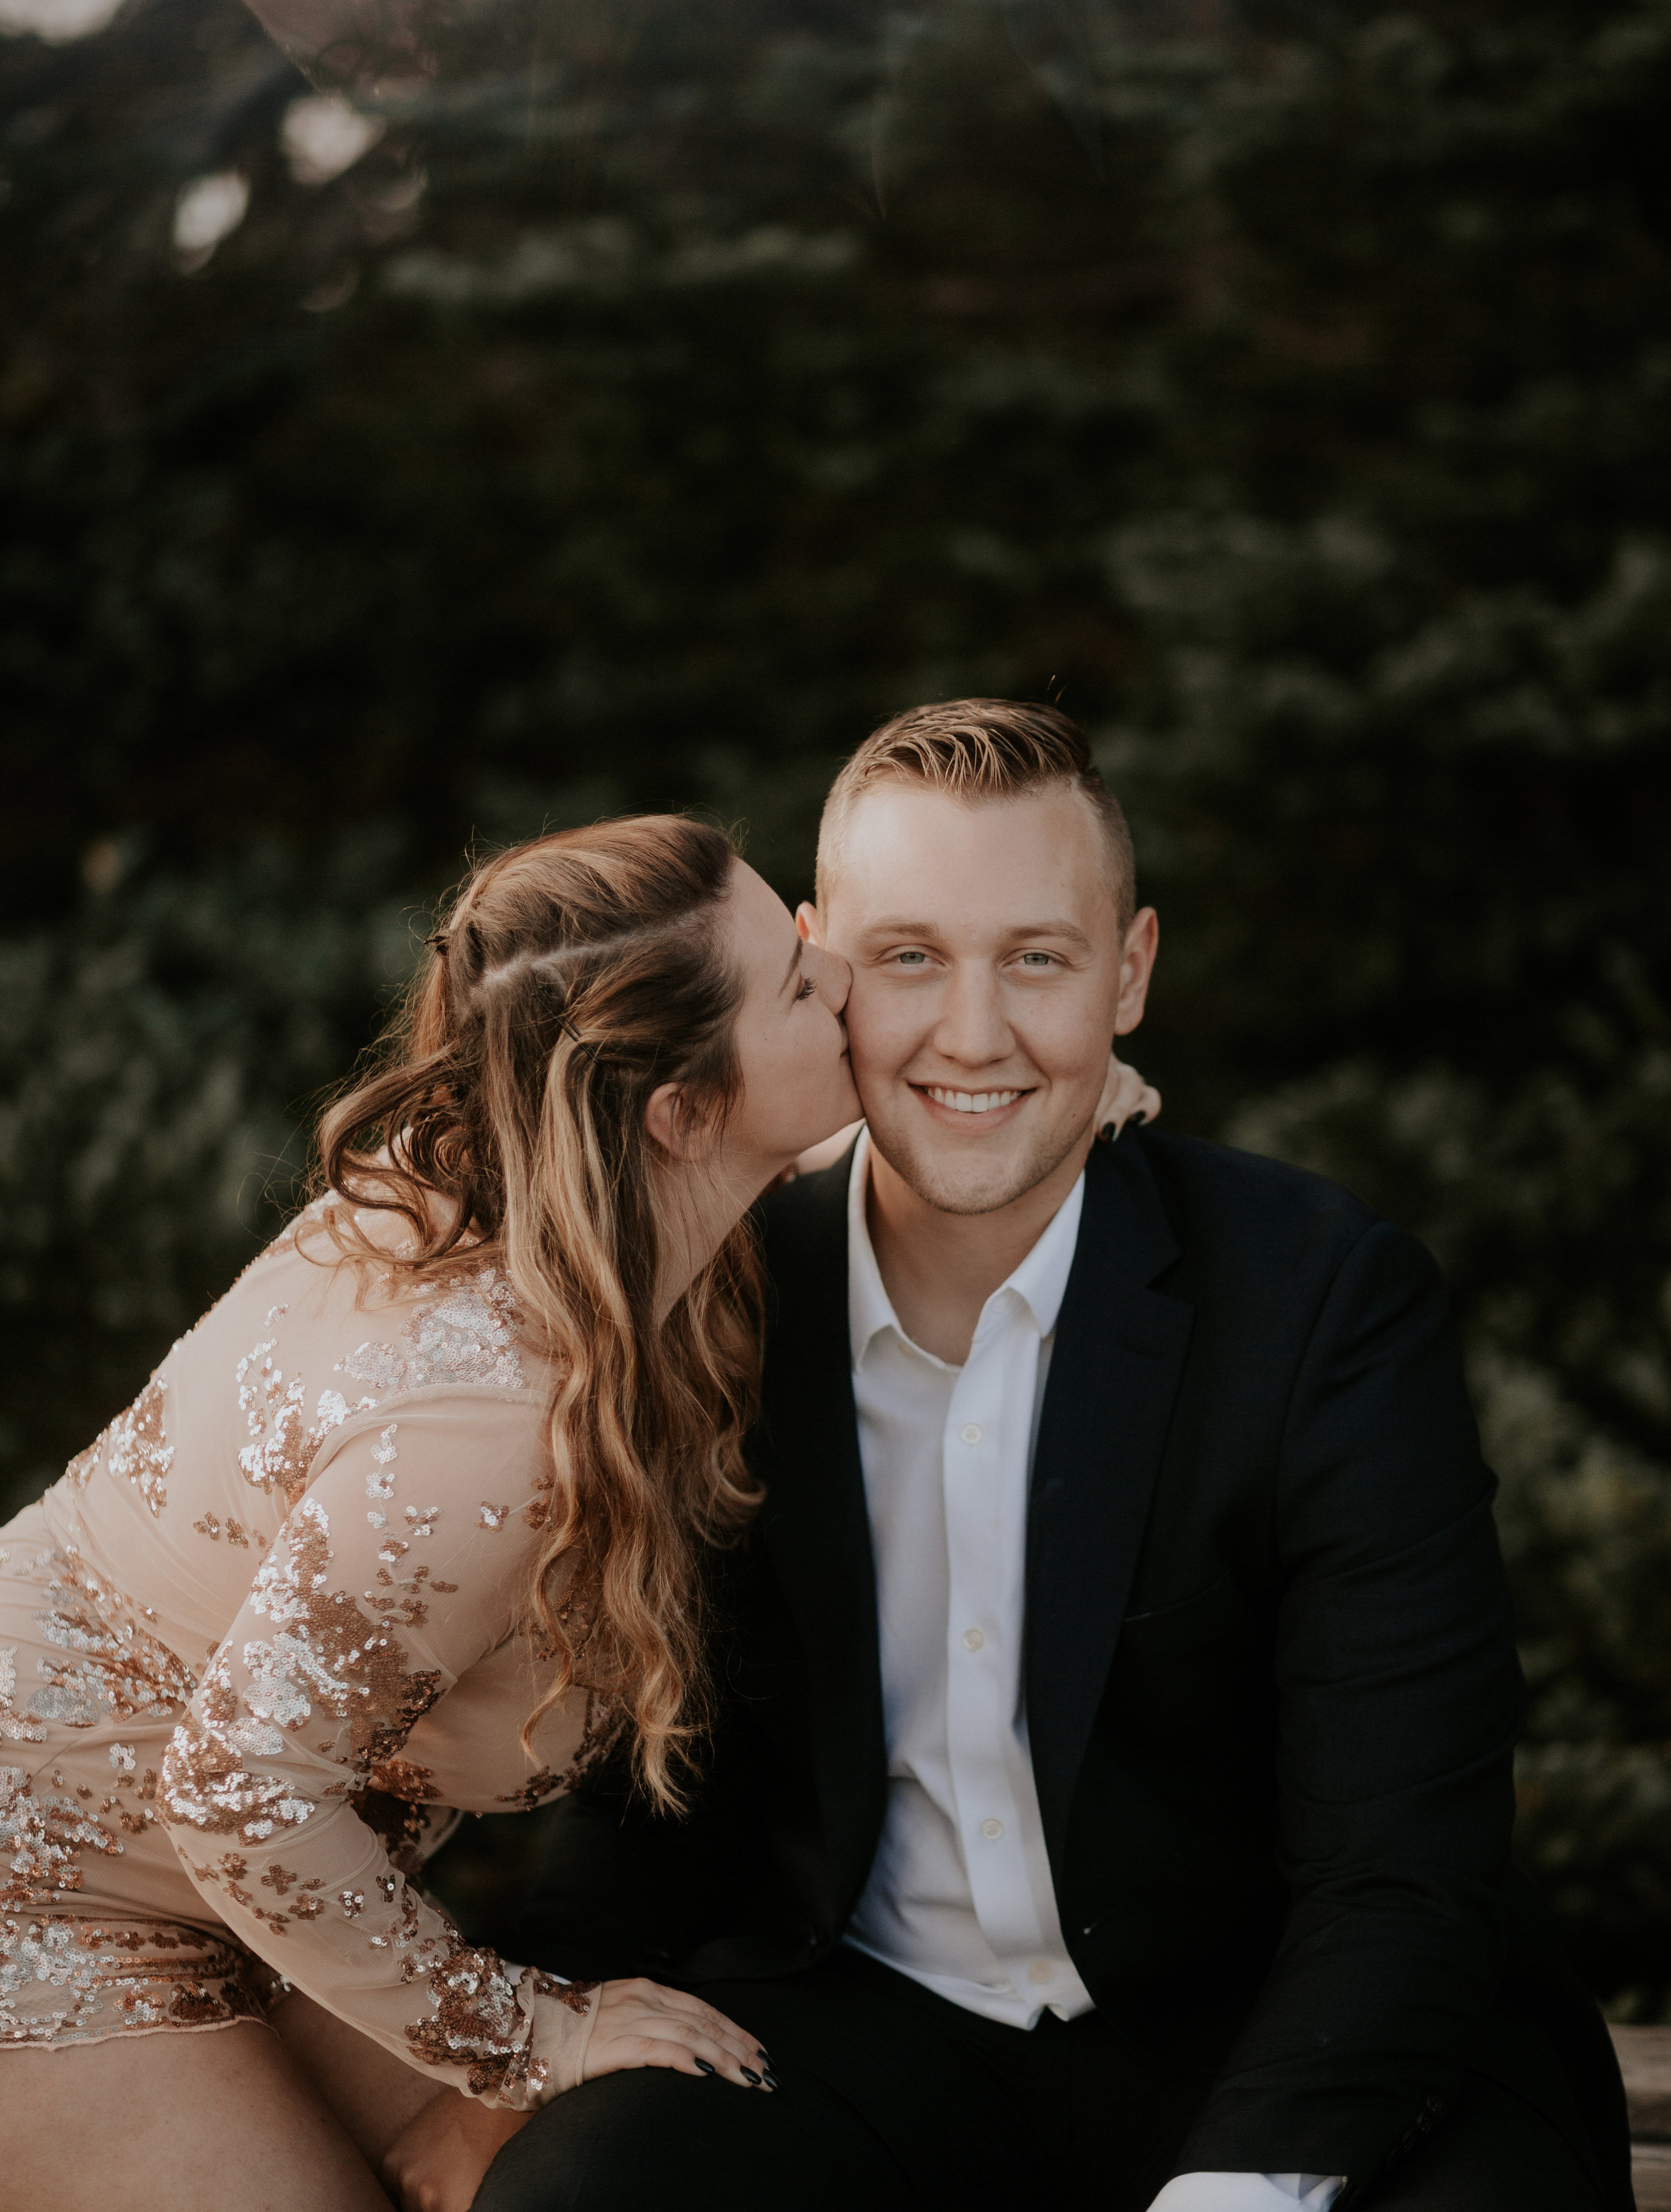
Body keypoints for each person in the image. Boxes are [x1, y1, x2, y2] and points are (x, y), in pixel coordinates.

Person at [397, 699, 1632, 2212]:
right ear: (816, 963)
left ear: (1130, 974)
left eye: (1036, 959)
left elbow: (1403, 1864)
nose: (970, 1033)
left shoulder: (1319, 1298)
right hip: (872, 2038)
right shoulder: (721, 1293)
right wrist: (527, 2054)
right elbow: (657, 1789)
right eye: (909, 957)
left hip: (1286, 2023)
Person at [0, 808, 1160, 2212]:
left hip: (230, 1870)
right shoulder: (493, 1429)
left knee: (534, 2178)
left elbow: (747, 1147)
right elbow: (238, 1793)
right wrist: (532, 2028)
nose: (841, 973)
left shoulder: (558, 1186)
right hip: (50, 1891)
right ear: (674, 1110)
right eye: (797, 980)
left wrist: (1008, 1109)